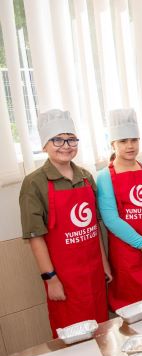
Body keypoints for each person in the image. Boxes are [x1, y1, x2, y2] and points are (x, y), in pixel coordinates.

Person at [19, 109, 110, 336]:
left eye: (71, 139)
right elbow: (35, 237)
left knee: (101, 331)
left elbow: (93, 228)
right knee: (73, 337)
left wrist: (104, 264)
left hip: (94, 274)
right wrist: (50, 279)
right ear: (44, 145)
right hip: (64, 278)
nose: (66, 145)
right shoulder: (34, 183)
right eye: (57, 139)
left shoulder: (86, 177)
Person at [97, 109, 142, 310]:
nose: (130, 146)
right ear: (113, 144)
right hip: (128, 254)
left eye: (134, 140)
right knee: (133, 309)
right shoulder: (105, 176)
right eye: (123, 141)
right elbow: (111, 219)